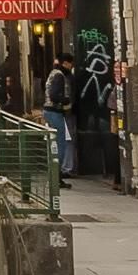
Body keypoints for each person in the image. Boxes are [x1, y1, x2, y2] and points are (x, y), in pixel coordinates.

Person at [42, 51, 77, 180]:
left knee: (55, 143)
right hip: (54, 112)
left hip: (49, 111)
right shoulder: (60, 76)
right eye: (70, 64)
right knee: (60, 143)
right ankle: (57, 175)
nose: (71, 67)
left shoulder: (53, 73)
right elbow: (54, 95)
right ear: (66, 63)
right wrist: (66, 100)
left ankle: (55, 173)